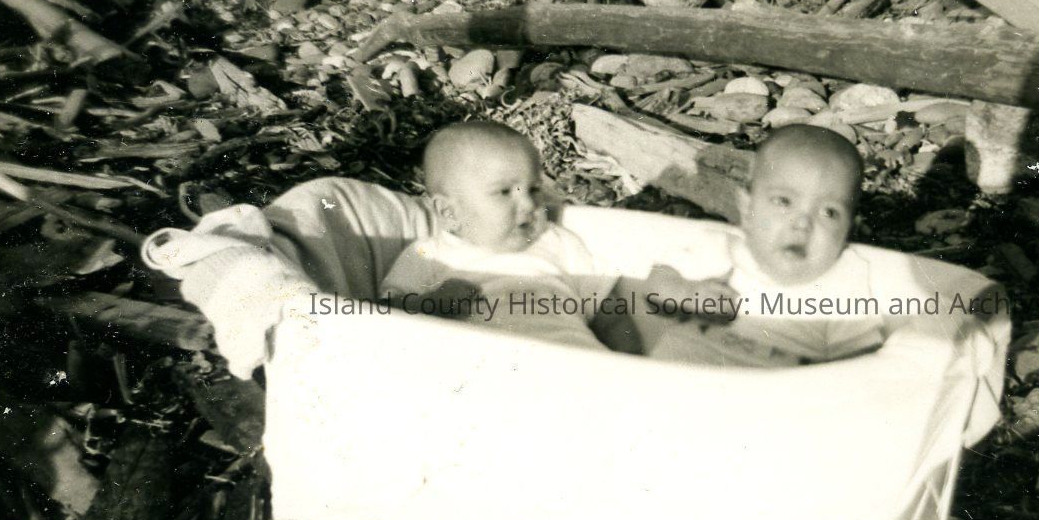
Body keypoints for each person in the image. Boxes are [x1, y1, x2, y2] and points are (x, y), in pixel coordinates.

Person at [379, 120, 723, 350]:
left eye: (533, 189)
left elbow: (608, 310)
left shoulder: (556, 242)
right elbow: (383, 319)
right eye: (504, 192)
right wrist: (430, 304)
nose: (529, 204)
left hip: (571, 363)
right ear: (449, 213)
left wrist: (630, 360)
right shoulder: (429, 254)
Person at [635, 125, 887, 367]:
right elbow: (655, 287)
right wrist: (687, 293)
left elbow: (861, 363)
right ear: (747, 208)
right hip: (677, 382)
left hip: (774, 394)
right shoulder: (719, 248)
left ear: (849, 228)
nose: (802, 223)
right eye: (784, 201)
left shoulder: (844, 280)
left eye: (829, 212)